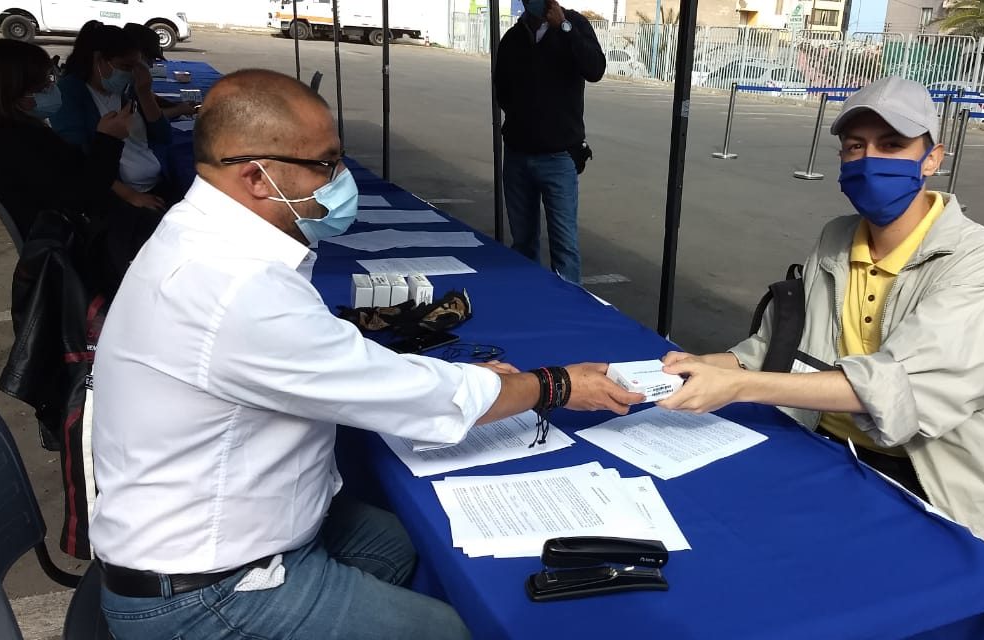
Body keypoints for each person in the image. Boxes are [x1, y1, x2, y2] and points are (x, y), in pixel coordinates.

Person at [89, 68, 644, 639]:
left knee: (427, 546)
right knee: (450, 630)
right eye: (326, 164)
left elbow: (352, 366)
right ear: (256, 176)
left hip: (245, 531)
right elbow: (412, 397)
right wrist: (554, 385)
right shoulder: (236, 288)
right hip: (208, 589)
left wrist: (454, 379)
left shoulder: (203, 236)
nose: (341, 179)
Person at [657, 77, 984, 540]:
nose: (870, 161)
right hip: (823, 440)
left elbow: (903, 387)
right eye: (855, 146)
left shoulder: (972, 258)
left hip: (924, 469)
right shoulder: (836, 237)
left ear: (932, 159)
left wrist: (737, 385)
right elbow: (777, 347)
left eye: (892, 144)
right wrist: (700, 365)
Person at [0, 39, 155, 297]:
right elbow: (87, 197)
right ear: (16, 93)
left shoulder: (7, 134)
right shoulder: (16, 145)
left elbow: (73, 175)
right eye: (43, 85)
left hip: (76, 236)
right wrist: (108, 140)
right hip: (81, 249)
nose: (53, 88)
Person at [495, 0, 605, 284]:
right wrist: (524, 118)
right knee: (523, 242)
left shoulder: (574, 25)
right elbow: (502, 89)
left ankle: (567, 315)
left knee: (564, 246)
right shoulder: (513, 37)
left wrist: (564, 28)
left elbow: (595, 70)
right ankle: (529, 302)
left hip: (558, 158)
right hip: (518, 155)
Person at [51, 22, 173, 212]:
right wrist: (131, 196)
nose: (131, 73)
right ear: (99, 59)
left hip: (154, 180)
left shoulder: (126, 89)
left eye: (136, 66)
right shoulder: (69, 93)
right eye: (125, 66)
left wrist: (145, 93)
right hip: (119, 198)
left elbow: (164, 135)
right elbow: (79, 162)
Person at [123, 22, 199, 120]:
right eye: (149, 58)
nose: (150, 65)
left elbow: (150, 97)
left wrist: (174, 105)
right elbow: (144, 117)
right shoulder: (119, 84)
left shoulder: (131, 80)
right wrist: (179, 110)